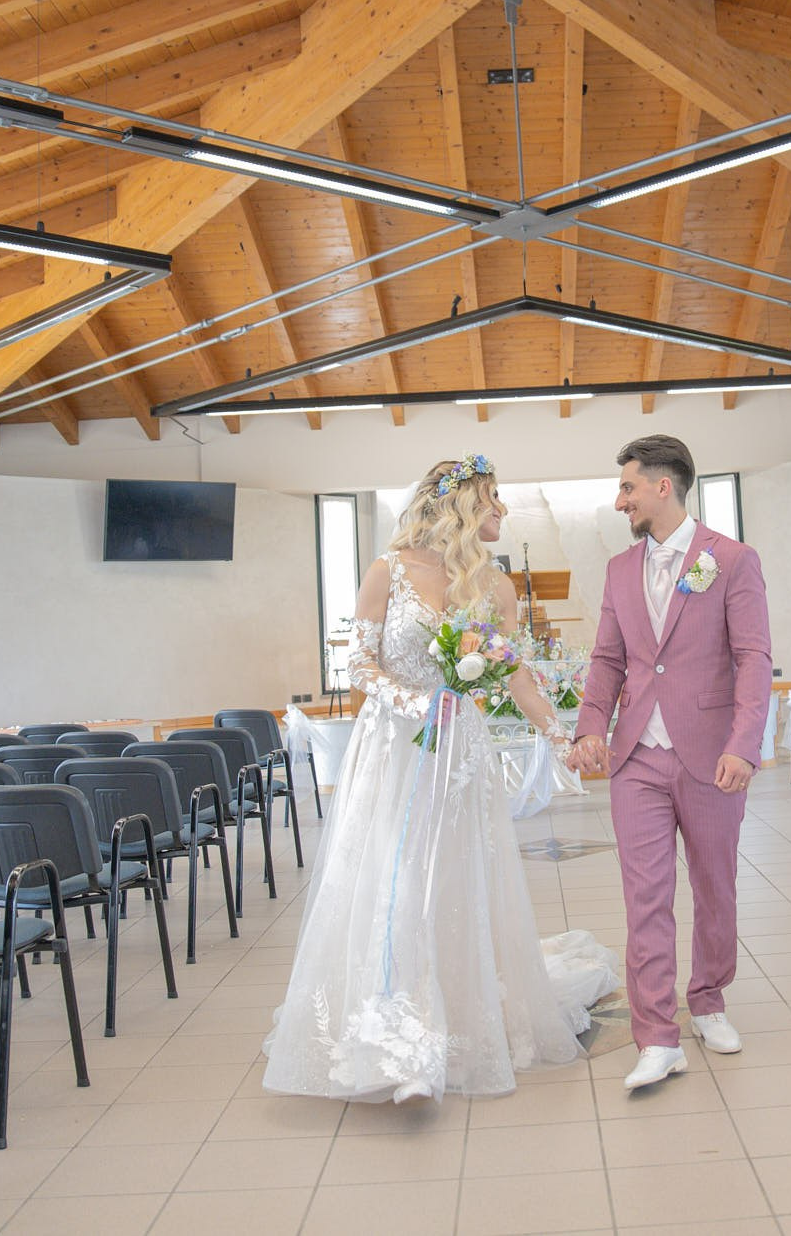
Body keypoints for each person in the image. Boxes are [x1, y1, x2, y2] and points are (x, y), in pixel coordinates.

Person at [263, 454, 619, 1102]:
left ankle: (451, 1019)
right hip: (395, 749)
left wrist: (561, 735)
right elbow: (360, 666)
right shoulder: (387, 571)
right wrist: (413, 702)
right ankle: (397, 1041)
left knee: (452, 881)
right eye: (492, 499)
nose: (502, 511)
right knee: (394, 880)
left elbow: (514, 675)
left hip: (459, 754)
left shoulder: (498, 587)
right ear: (457, 505)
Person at [568, 435, 773, 1091]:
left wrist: (744, 742)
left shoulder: (732, 560)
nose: (619, 498)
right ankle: (657, 1035)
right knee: (645, 898)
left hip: (712, 756)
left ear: (663, 486)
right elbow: (607, 659)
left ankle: (708, 999)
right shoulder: (619, 570)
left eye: (627, 486)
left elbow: (753, 657)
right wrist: (590, 726)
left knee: (716, 887)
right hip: (636, 762)